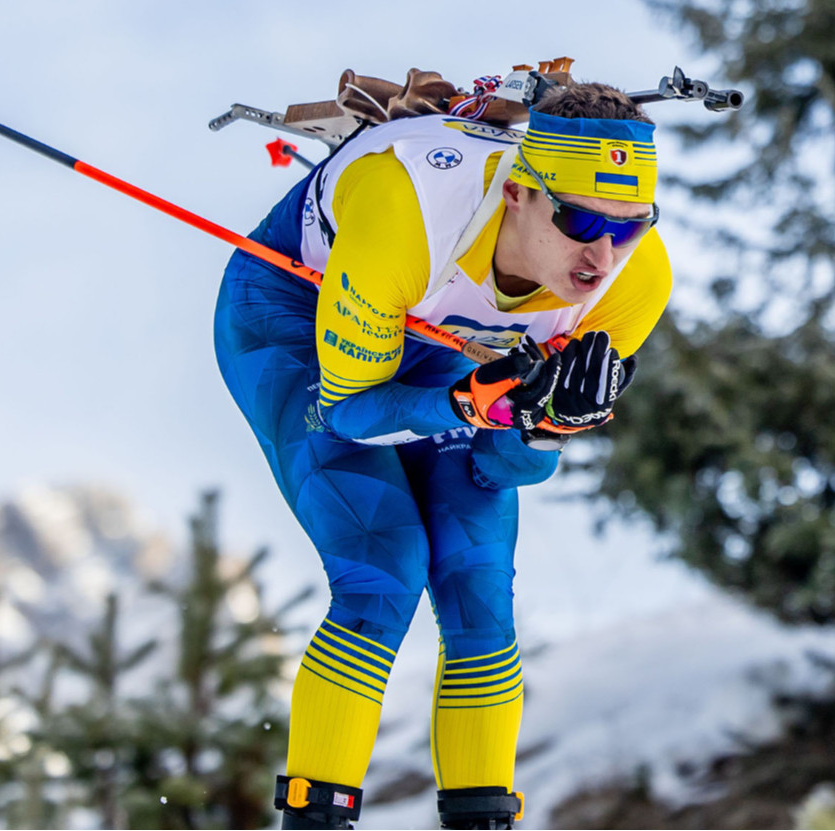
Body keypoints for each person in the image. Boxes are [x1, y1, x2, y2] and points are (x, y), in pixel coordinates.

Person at [213, 80, 672, 829]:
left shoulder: (635, 279)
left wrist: (541, 428)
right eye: (582, 218)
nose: (601, 254)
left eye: (629, 227)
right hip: (296, 318)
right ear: (520, 192)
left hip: (443, 341)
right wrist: (473, 403)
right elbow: (350, 413)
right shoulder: (405, 211)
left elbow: (503, 469)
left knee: (478, 586)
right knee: (384, 563)